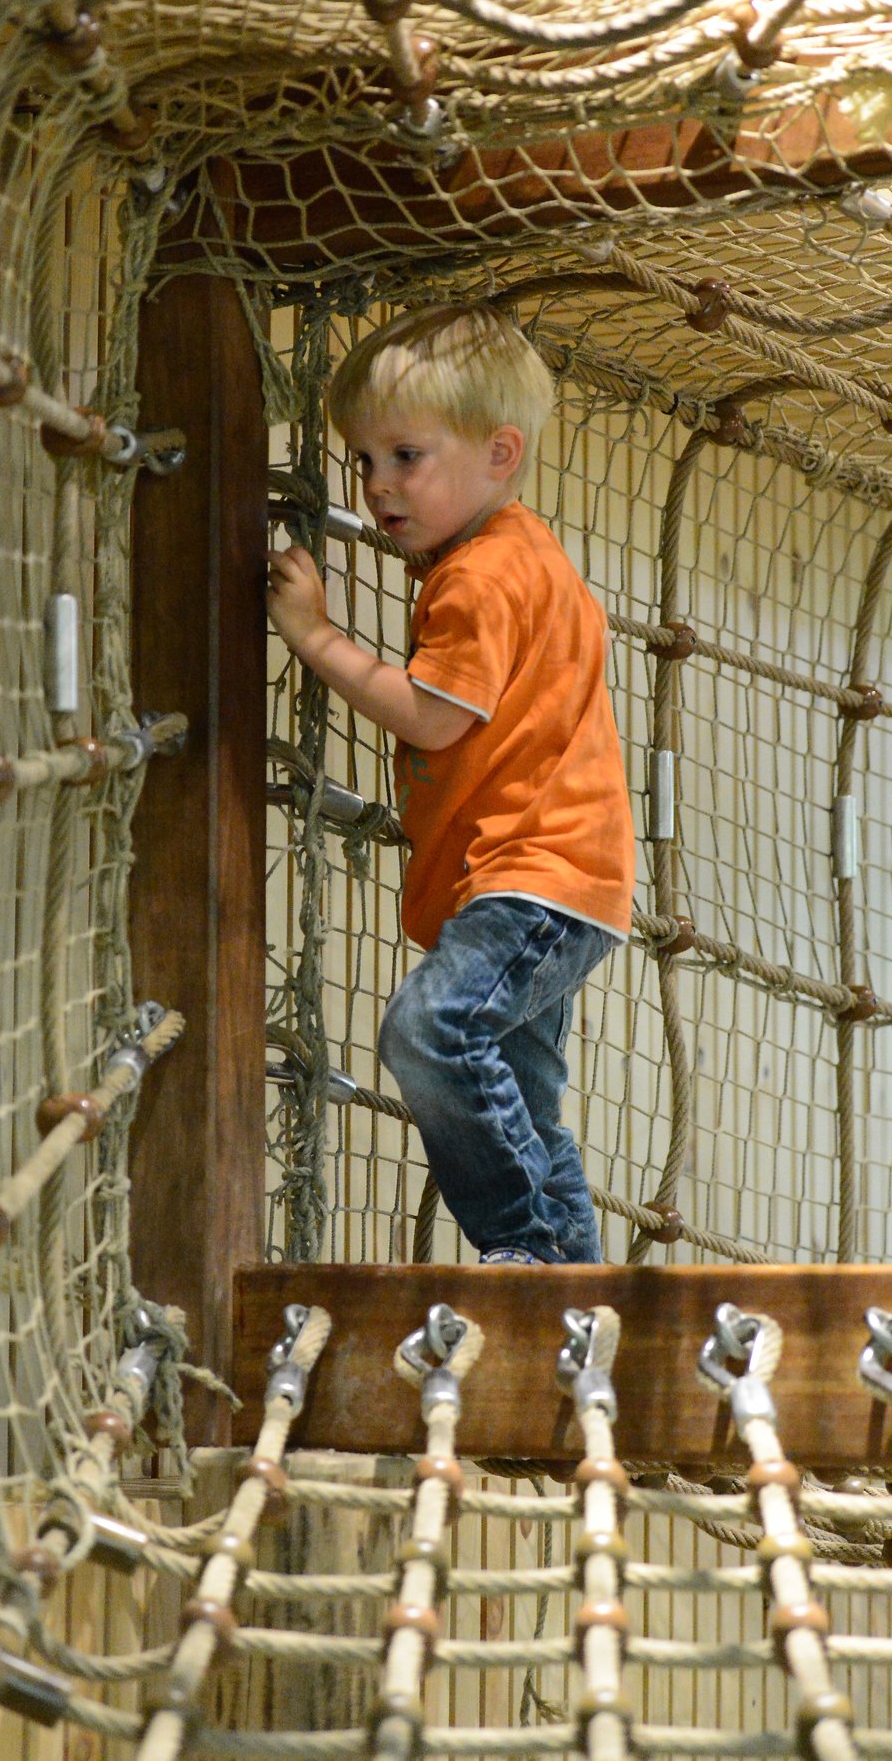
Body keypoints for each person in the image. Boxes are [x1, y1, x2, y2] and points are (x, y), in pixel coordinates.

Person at [267, 303, 634, 1265]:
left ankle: (531, 1248)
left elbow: (434, 714)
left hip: (533, 878)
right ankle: (577, 1285)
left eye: (406, 456)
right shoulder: (523, 556)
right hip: (549, 881)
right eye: (364, 461)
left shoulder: (481, 575)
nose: (379, 485)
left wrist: (314, 637)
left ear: (499, 452)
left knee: (428, 1030)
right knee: (523, 1088)